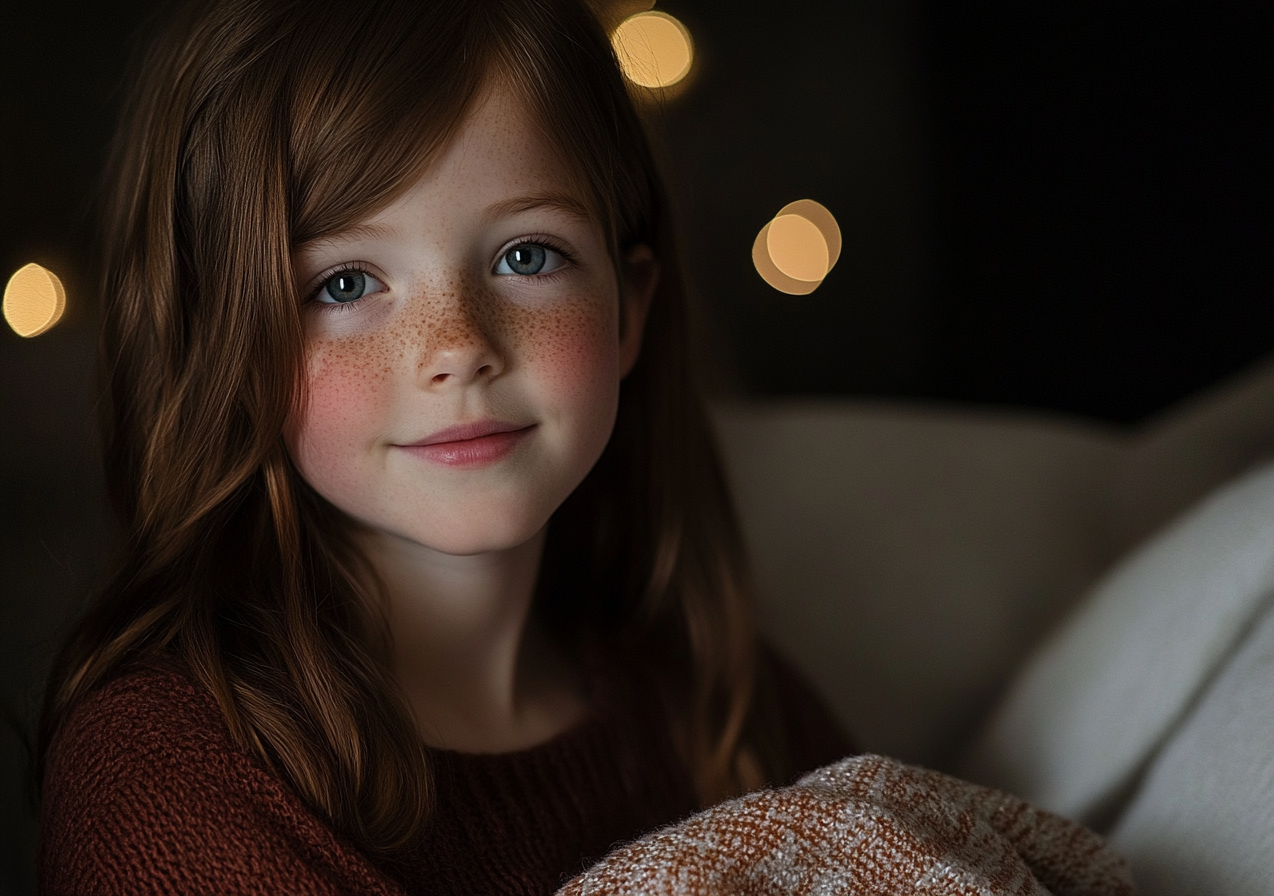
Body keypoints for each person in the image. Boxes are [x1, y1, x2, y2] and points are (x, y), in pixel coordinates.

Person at [35, 0, 854, 893]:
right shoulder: (171, 775)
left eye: (527, 257)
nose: (455, 343)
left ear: (630, 308)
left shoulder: (719, 702)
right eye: (344, 282)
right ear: (229, 345)